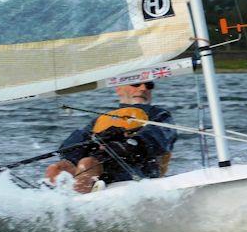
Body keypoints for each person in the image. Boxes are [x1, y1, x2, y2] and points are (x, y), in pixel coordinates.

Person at [45, 81, 177, 193]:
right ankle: (55, 207)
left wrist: (128, 144)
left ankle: (81, 206)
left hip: (137, 169)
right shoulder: (102, 118)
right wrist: (93, 141)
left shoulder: (158, 114)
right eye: (135, 84)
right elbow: (69, 148)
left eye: (149, 85)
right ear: (119, 89)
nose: (143, 88)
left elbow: (160, 136)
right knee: (56, 169)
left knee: (87, 164)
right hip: (101, 164)